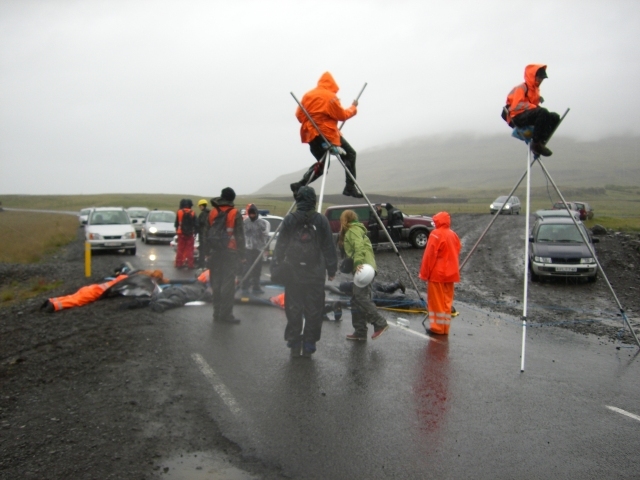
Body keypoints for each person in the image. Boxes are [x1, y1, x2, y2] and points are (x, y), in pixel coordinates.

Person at [272, 186, 338, 357]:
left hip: (293, 272)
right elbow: (328, 246)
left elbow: (281, 244)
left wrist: (276, 265)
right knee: (314, 309)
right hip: (315, 273)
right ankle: (309, 344)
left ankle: (294, 342)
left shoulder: (290, 219)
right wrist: (331, 269)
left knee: (293, 308)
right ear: (313, 200)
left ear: (299, 199)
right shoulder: (321, 220)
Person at [291, 71, 362, 199]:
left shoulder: (308, 95)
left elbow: (299, 115)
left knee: (323, 165)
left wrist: (313, 120)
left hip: (312, 135)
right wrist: (353, 107)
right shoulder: (330, 97)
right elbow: (342, 115)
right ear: (332, 84)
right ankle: (350, 187)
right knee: (350, 154)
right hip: (327, 133)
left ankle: (300, 185)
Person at [339, 209, 389, 341]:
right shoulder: (357, 229)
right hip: (367, 267)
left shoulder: (352, 230)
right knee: (356, 299)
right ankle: (360, 331)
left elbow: (359, 246)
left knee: (361, 297)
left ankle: (380, 323)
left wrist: (358, 263)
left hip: (364, 268)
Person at [418, 211, 461, 335]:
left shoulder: (435, 234)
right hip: (451, 274)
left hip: (437, 274)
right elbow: (457, 249)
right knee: (446, 302)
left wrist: (424, 274)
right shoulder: (453, 235)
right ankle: (444, 328)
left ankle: (437, 328)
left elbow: (429, 256)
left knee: (436, 302)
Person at [504, 64, 560, 157]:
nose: (540, 80)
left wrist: (536, 105)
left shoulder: (535, 90)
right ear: (533, 76)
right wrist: (535, 107)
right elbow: (516, 106)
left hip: (527, 115)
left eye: (542, 78)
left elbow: (532, 107)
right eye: (539, 78)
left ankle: (541, 142)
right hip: (517, 116)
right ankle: (536, 143)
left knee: (554, 117)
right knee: (542, 112)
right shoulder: (522, 88)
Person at [207, 187, 245, 323]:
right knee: (228, 285)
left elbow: (207, 233)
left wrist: (207, 253)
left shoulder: (212, 212)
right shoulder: (235, 213)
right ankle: (226, 315)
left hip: (215, 252)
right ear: (232, 199)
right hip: (230, 251)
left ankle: (216, 313)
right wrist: (242, 254)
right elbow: (240, 236)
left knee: (216, 283)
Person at [242, 203, 270, 294]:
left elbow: (266, 237)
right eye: (250, 214)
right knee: (247, 268)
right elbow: (242, 236)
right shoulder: (245, 222)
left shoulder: (262, 223)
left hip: (258, 249)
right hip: (248, 249)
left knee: (257, 269)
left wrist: (266, 249)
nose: (252, 216)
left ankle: (256, 286)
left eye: (253, 214)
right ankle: (245, 286)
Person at [174, 199, 198, 269]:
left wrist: (177, 231)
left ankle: (179, 264)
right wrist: (195, 232)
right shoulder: (193, 213)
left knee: (180, 250)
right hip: (190, 234)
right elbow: (196, 224)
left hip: (181, 234)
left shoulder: (179, 212)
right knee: (190, 250)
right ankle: (190, 265)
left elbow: (176, 224)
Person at [196, 199, 210, 268]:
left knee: (202, 250)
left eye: (200, 206)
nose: (199, 207)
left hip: (203, 234)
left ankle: (201, 264)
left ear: (202, 206)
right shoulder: (210, 212)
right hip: (208, 234)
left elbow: (200, 223)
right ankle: (207, 264)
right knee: (207, 249)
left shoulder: (203, 214)